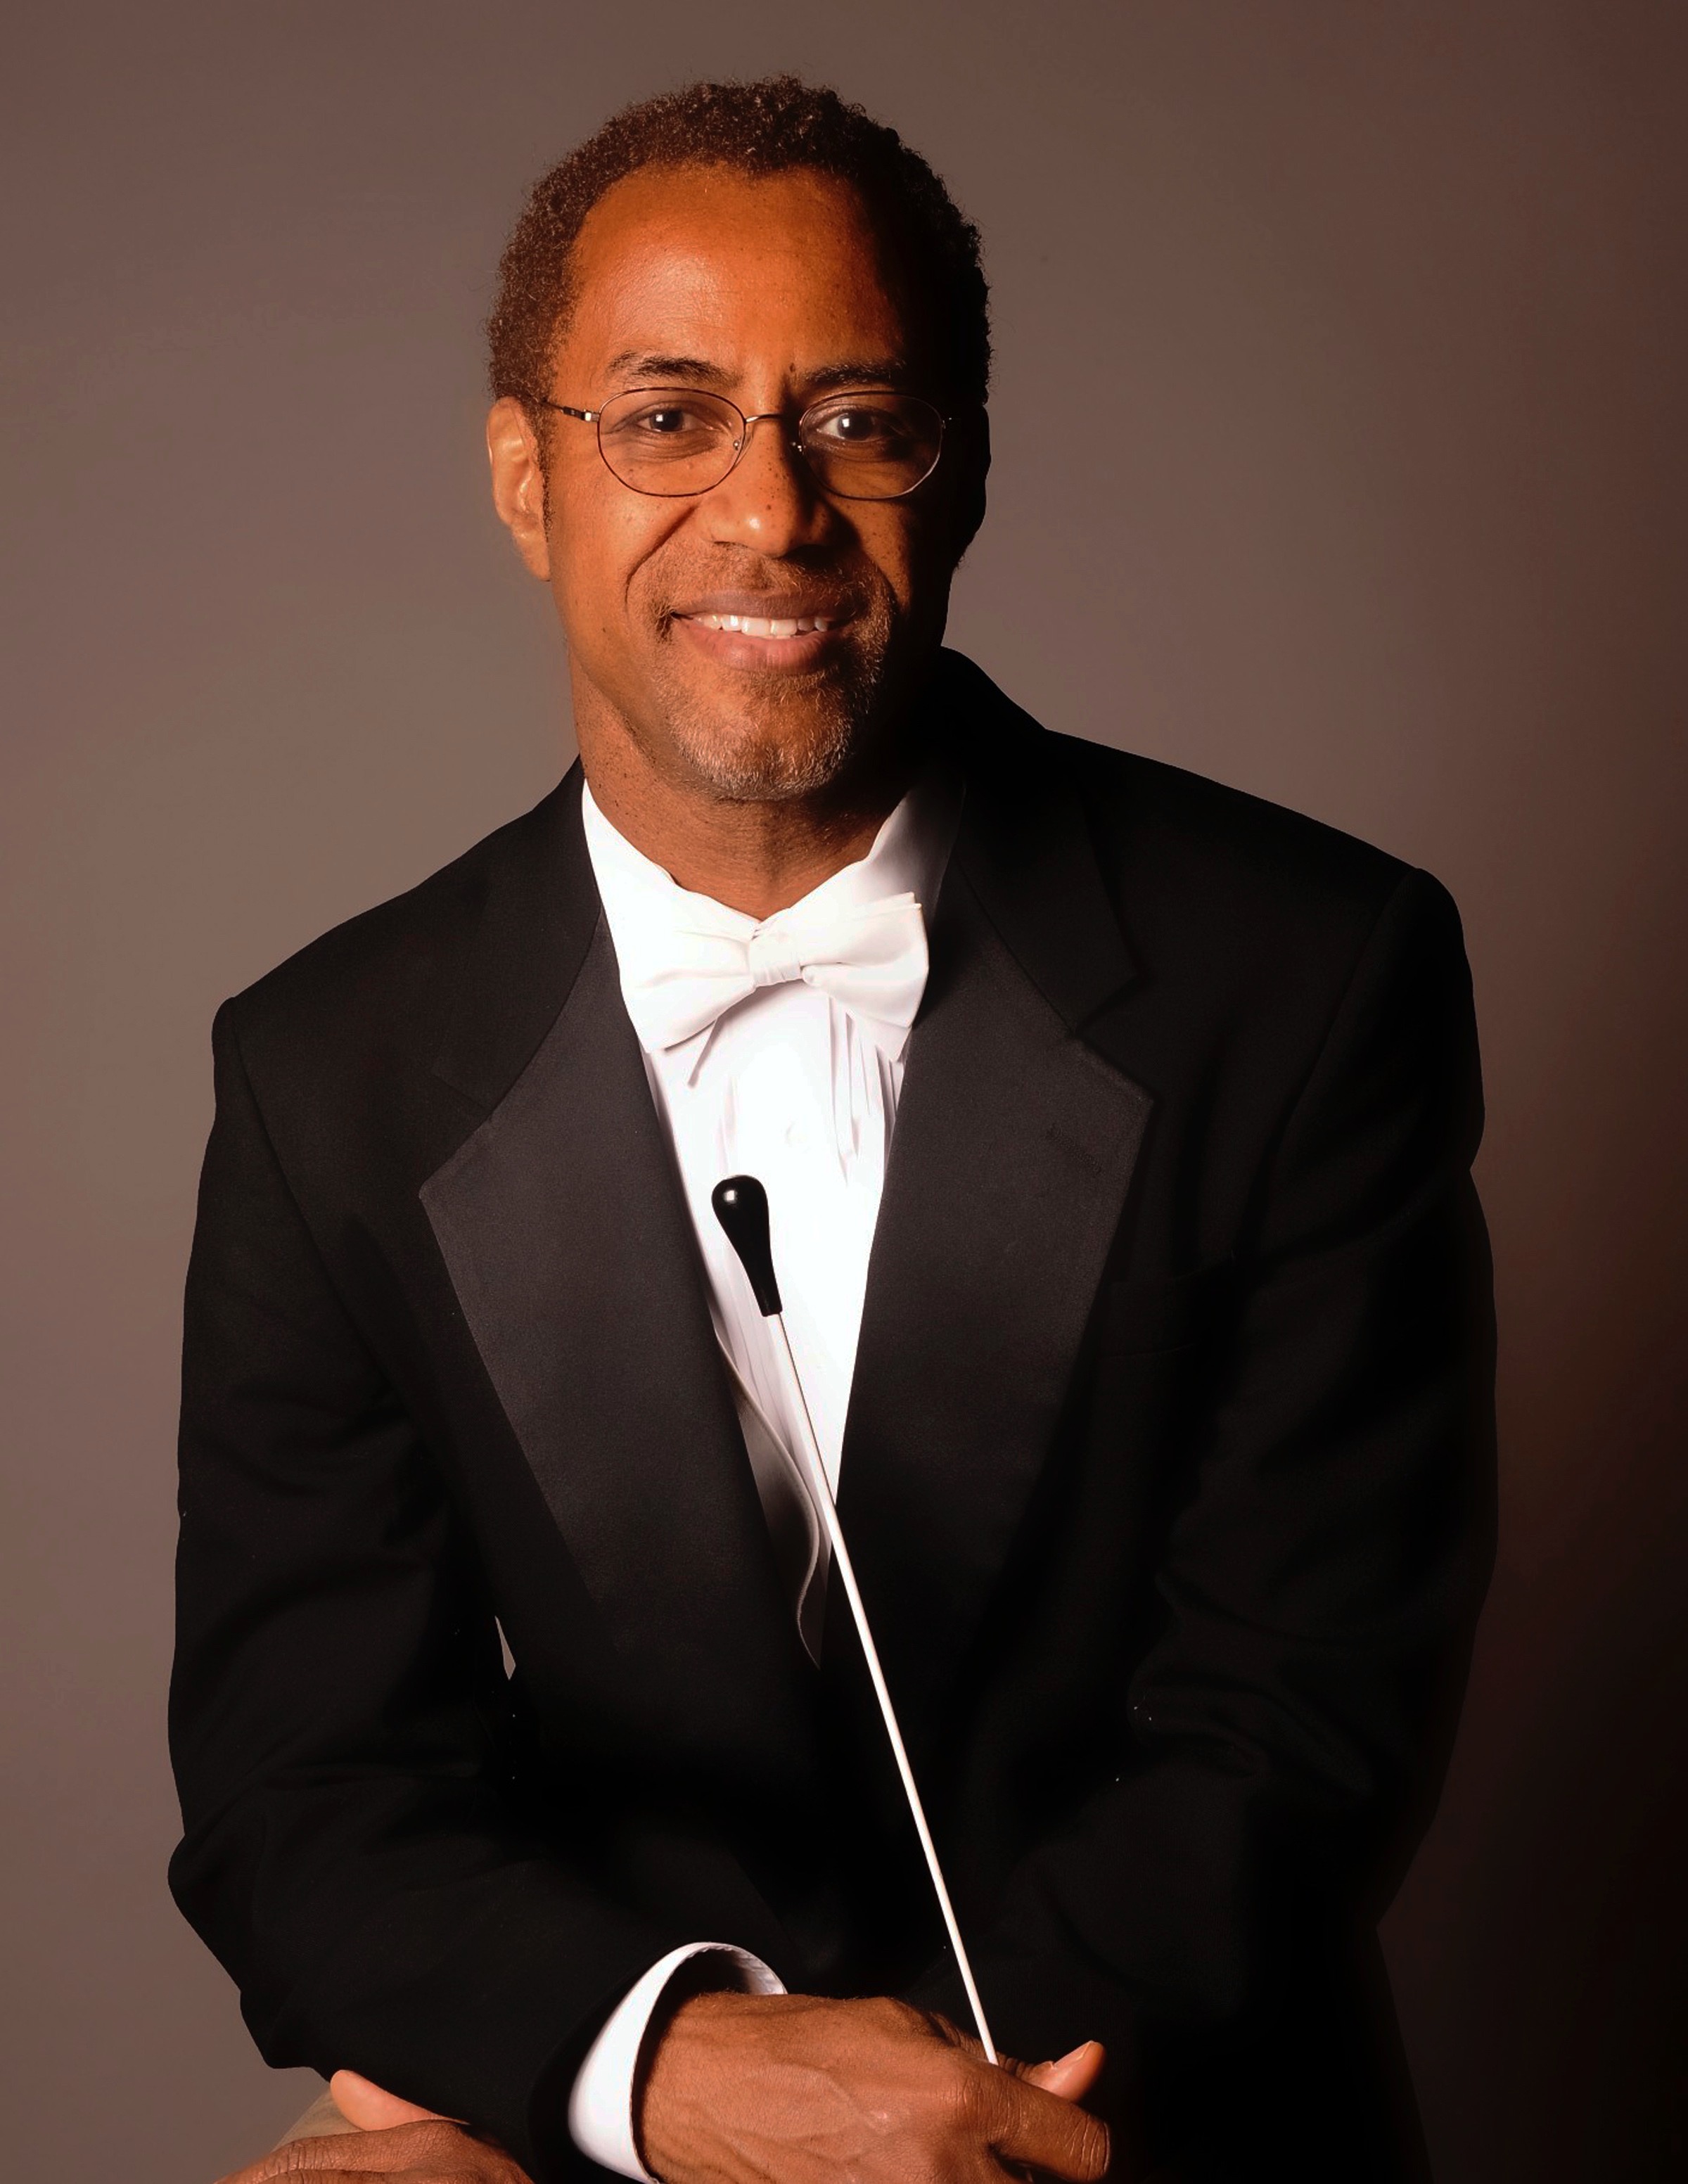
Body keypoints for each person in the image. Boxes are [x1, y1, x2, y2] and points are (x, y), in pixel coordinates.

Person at [171, 76, 1495, 2184]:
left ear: (959, 476)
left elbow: (1295, 1732)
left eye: (856, 421)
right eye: (667, 417)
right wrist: (664, 2086)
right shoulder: (322, 1069)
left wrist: (889, 2127)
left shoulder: (1309, 973)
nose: (772, 512)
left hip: (1133, 2125)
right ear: (526, 479)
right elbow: (304, 1792)